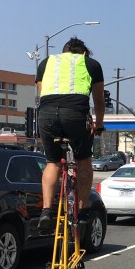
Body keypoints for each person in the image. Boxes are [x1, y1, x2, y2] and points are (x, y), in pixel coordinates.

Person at [35, 37, 106, 231]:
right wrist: (98, 125)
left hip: (46, 115)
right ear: (83, 53)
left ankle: (47, 211)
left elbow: (42, 94)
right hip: (75, 114)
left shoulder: (46, 63)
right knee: (83, 160)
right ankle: (82, 211)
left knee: (53, 162)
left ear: (64, 52)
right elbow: (99, 102)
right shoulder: (90, 64)